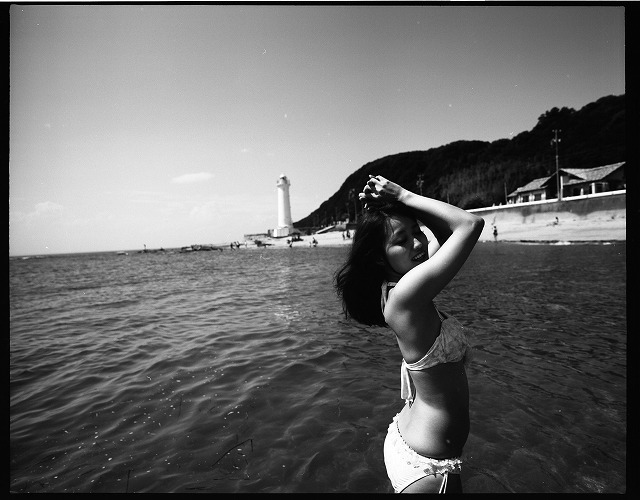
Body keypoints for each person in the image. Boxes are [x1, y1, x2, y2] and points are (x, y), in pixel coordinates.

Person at [334, 174, 484, 493]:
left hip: (414, 443)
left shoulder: (397, 289)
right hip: (430, 468)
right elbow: (470, 224)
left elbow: (447, 234)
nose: (418, 243)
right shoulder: (406, 296)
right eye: (402, 240)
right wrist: (404, 196)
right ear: (380, 257)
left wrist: (399, 205)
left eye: (417, 232)